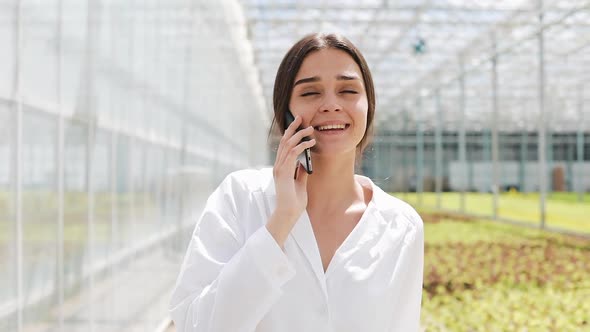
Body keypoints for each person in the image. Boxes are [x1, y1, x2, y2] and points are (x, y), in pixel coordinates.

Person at [169, 33, 424, 332]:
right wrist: (281, 222)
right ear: (284, 112)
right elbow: (196, 326)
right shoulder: (242, 197)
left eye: (348, 90)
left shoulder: (402, 226)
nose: (331, 104)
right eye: (310, 93)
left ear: (368, 106)